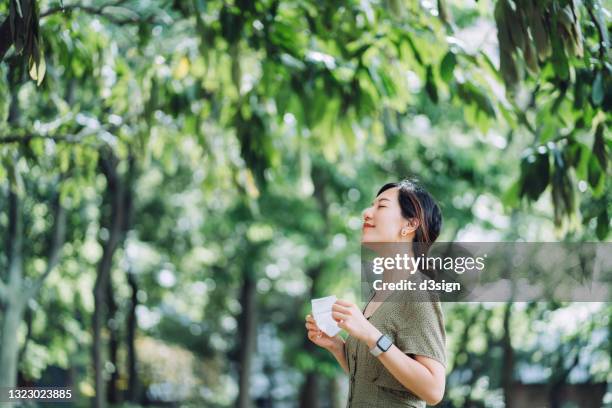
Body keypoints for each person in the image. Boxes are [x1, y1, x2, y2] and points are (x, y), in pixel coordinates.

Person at [305, 179, 447, 407]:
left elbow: (433, 389)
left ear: (410, 224)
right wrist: (337, 346)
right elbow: (374, 380)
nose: (366, 213)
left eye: (381, 206)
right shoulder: (378, 292)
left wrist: (370, 334)